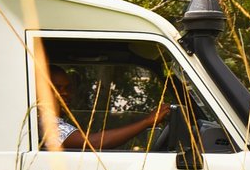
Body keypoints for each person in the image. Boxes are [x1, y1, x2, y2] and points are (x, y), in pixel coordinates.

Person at [41, 64, 171, 150]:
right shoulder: (45, 125)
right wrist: (147, 122)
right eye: (56, 88)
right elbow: (95, 142)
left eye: (67, 88)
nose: (65, 93)